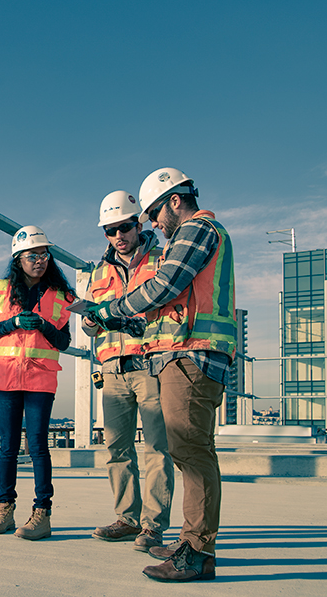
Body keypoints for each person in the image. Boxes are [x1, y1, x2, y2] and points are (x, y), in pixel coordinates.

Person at [80, 168, 236, 583]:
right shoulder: (189, 236)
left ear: (173, 201)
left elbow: (164, 286)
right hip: (176, 356)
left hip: (193, 357)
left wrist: (111, 311)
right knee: (188, 451)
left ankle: (196, 551)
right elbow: (168, 305)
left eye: (150, 215)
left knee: (190, 452)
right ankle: (191, 542)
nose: (153, 225)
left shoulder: (197, 230)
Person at [83, 191, 175, 553]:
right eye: (110, 230)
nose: (118, 235)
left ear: (138, 224)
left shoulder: (160, 259)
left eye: (124, 227)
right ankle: (127, 518)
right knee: (117, 448)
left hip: (150, 364)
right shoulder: (99, 271)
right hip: (112, 370)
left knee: (156, 449)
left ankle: (153, 527)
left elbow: (167, 303)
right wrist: (92, 320)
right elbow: (90, 327)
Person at [0, 225, 75, 541]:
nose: (40, 260)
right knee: (7, 447)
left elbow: (63, 341)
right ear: (18, 259)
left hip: (40, 379)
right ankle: (5, 509)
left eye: (44, 254)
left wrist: (45, 327)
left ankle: (42, 513)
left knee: (37, 445)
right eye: (32, 255)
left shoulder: (62, 296)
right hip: (5, 378)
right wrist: (14, 323)